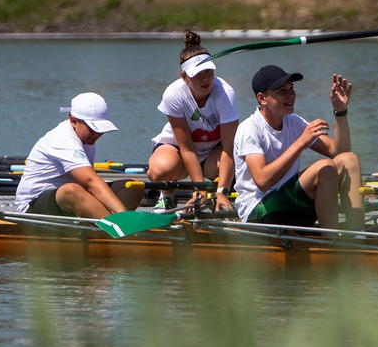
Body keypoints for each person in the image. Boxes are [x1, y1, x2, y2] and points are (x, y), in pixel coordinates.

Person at [233, 65, 364, 230]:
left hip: (288, 206)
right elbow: (262, 181)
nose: (291, 95)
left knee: (349, 160)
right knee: (324, 168)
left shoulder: (294, 122)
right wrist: (301, 143)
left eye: (291, 89)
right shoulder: (249, 129)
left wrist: (340, 111)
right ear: (262, 98)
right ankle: (333, 241)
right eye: (282, 91)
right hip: (258, 212)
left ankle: (358, 233)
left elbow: (338, 152)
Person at [147, 30, 238, 213]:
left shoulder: (225, 93)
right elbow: (187, 148)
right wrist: (200, 189)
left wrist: (222, 191)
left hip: (214, 152)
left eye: (208, 71)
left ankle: (222, 194)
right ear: (184, 77)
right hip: (180, 151)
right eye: (197, 74)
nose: (205, 78)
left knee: (239, 156)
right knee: (159, 170)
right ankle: (167, 197)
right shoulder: (173, 94)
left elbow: (229, 149)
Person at [15, 92, 143, 218]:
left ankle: (105, 222)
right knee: (71, 191)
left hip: (66, 203)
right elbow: (90, 182)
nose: (97, 134)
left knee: (133, 187)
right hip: (33, 205)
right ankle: (116, 226)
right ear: (73, 121)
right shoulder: (63, 138)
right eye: (92, 129)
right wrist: (122, 213)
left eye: (100, 129)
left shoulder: (87, 138)